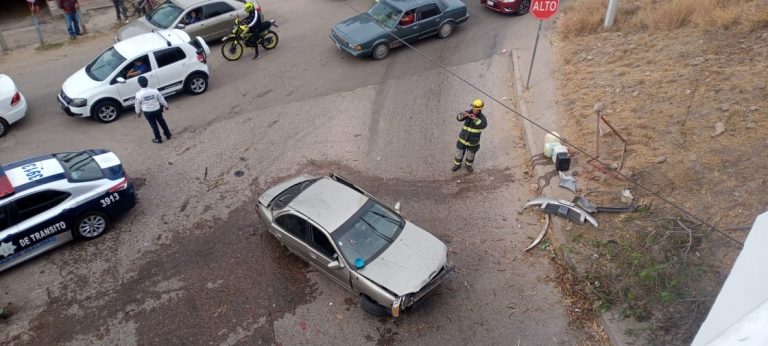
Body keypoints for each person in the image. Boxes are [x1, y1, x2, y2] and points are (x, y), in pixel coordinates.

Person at [452, 99, 488, 173]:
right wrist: (462, 115)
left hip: (473, 141)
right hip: (463, 139)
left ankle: (468, 165)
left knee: (470, 155)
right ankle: (457, 165)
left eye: (476, 109)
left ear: (480, 109)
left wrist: (476, 120)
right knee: (459, 152)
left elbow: (483, 125)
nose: (474, 110)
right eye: (473, 108)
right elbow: (458, 118)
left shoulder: (482, 117)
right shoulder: (468, 112)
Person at [134, 76, 172, 144]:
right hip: (157, 110)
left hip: (147, 112)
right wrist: (166, 106)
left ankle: (158, 139)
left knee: (154, 126)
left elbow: (137, 104)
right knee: (162, 122)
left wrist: (138, 112)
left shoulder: (138, 94)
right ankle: (168, 135)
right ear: (147, 82)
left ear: (139, 84)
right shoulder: (155, 91)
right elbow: (161, 99)